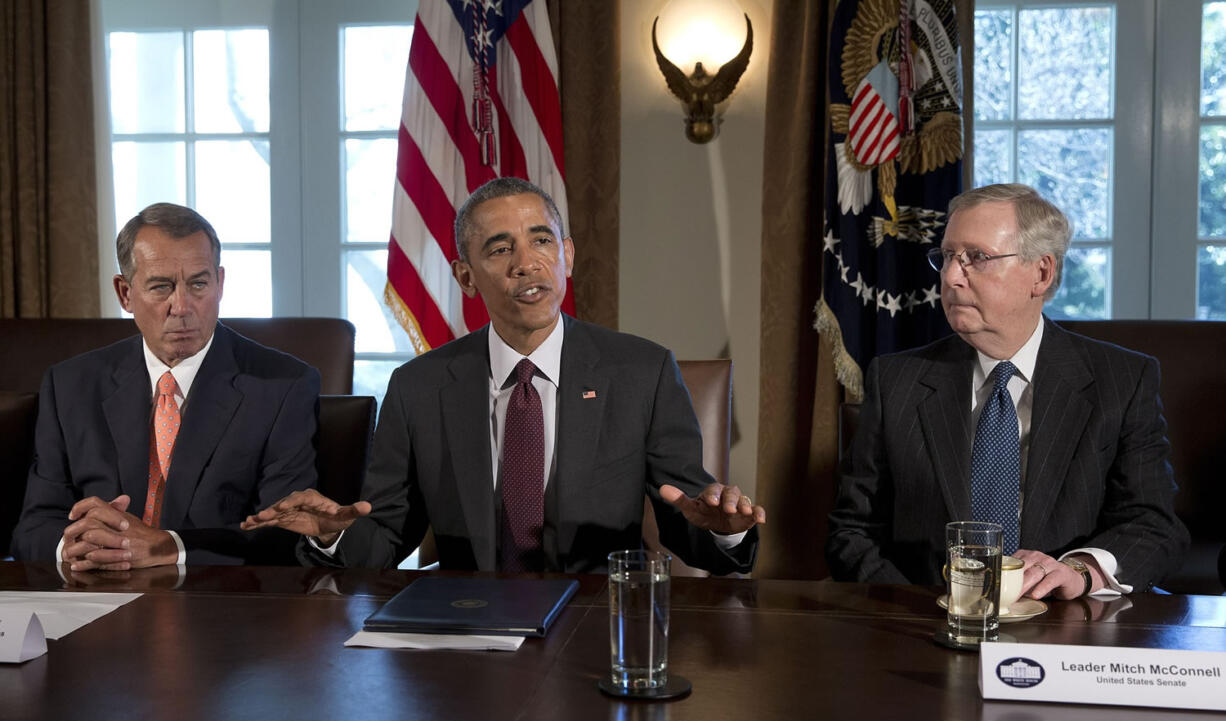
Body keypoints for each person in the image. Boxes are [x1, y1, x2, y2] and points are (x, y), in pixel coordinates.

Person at [243, 177, 764, 573]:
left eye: (542, 242)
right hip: (467, 625)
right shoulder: (418, 387)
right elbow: (386, 537)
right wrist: (333, 535)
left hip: (594, 624)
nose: (526, 263)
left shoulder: (642, 373)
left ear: (568, 256)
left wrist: (726, 534)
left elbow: (690, 517)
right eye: (499, 248)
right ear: (465, 276)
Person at [826, 183, 1189, 598]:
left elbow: (1154, 525)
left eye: (976, 258)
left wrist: (1083, 571)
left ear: (1041, 273)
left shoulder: (1123, 380)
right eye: (946, 257)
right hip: (923, 622)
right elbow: (851, 531)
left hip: (1062, 625)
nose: (949, 276)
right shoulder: (896, 380)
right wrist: (916, 610)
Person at [12, 203, 320, 568]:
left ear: (220, 284)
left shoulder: (282, 387)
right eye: (162, 287)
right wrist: (73, 547)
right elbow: (33, 529)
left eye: (199, 284)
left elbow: (284, 536)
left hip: (214, 604)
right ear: (125, 293)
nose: (182, 306)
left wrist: (168, 548)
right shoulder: (70, 386)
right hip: (96, 593)